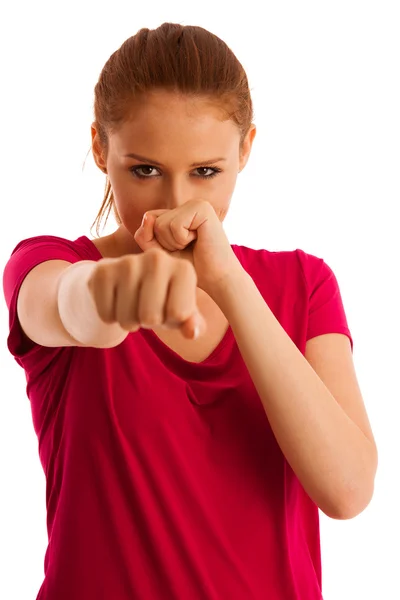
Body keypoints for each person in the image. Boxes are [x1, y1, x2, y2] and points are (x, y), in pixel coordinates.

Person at [2, 22, 378, 600]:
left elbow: (348, 491)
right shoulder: (49, 262)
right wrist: (116, 292)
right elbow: (62, 303)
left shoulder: (303, 285)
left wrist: (229, 283)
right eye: (144, 170)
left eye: (205, 172)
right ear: (101, 147)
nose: (177, 204)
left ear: (245, 149)